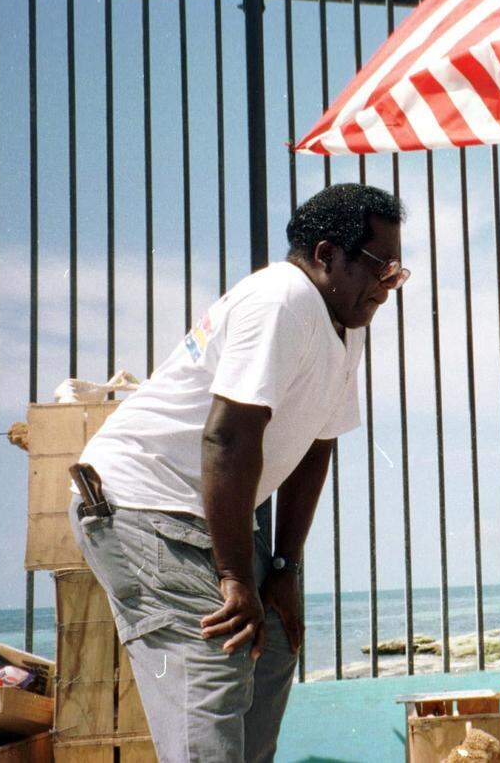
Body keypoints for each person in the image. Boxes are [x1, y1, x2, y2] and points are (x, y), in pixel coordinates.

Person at [68, 183, 406, 762]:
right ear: (327, 255)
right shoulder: (281, 299)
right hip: (141, 506)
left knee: (272, 645)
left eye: (397, 274)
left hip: (205, 514)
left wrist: (284, 568)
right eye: (382, 267)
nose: (388, 286)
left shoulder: (345, 325)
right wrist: (234, 576)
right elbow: (227, 436)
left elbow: (316, 445)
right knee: (216, 664)